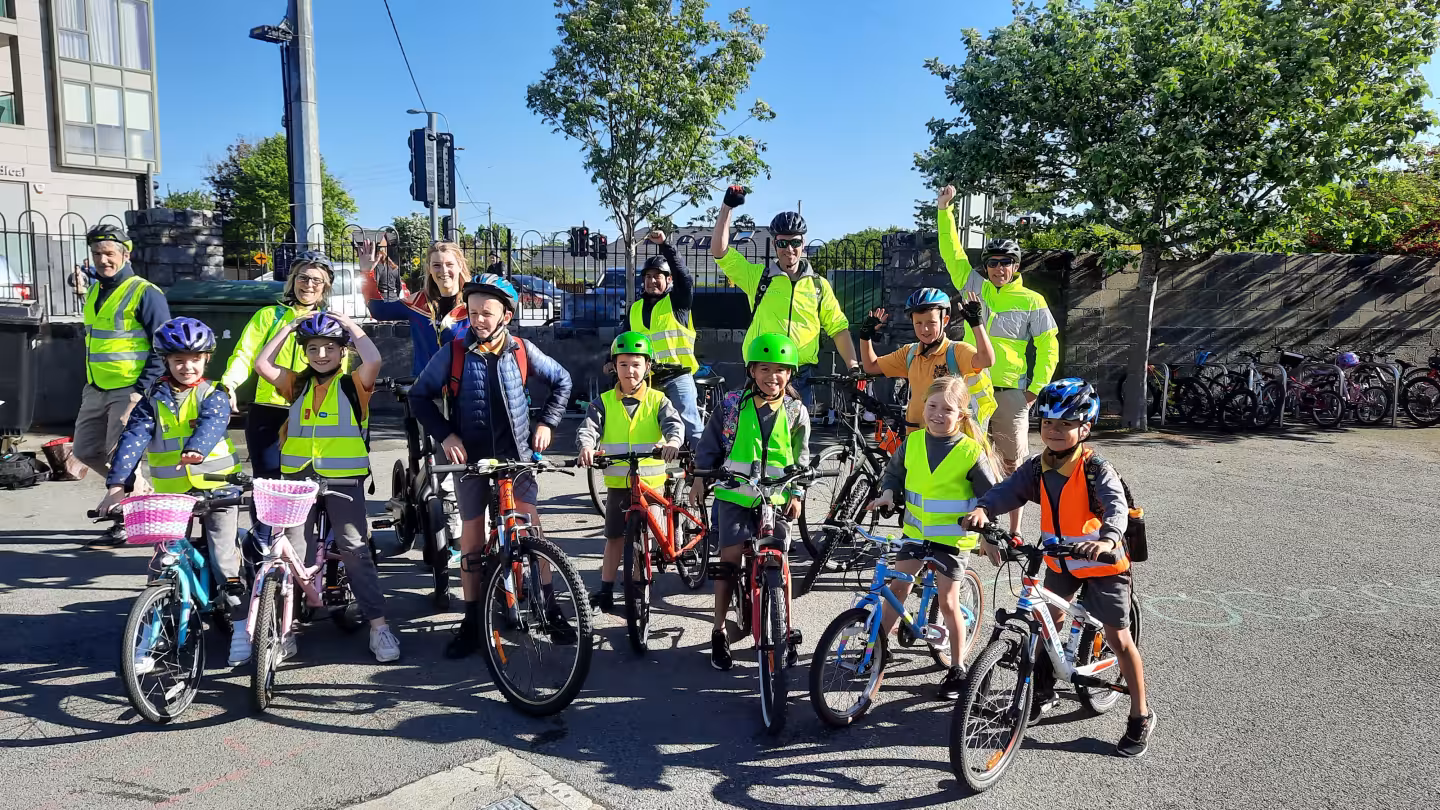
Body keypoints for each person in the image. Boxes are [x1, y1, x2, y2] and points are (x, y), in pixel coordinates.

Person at [962, 378, 1154, 758]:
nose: (1053, 430)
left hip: (1104, 563)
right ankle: (1042, 692)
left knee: (1119, 639)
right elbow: (1009, 490)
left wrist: (1108, 539)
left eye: (1065, 424)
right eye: (1048, 422)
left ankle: (1140, 714)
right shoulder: (1037, 467)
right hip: (1060, 560)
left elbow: (1115, 507)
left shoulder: (1096, 469)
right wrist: (984, 508)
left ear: (1085, 428)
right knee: (1046, 622)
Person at [406, 274, 575, 658]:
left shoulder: (522, 350)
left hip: (516, 457)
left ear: (506, 316)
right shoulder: (453, 352)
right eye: (473, 313)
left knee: (532, 529)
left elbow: (562, 381)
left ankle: (550, 608)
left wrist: (547, 423)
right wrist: (446, 435)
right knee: (472, 537)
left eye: (487, 313)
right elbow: (419, 397)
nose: (479, 320)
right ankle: (471, 620)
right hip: (471, 461)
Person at [95, 316, 250, 669]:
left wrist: (196, 449)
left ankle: (242, 628)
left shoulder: (214, 395)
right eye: (178, 360)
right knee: (161, 563)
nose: (187, 366)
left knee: (224, 558)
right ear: (165, 360)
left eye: (194, 359)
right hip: (172, 494)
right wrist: (116, 487)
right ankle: (150, 638)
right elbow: (132, 441)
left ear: (206, 359)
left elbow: (213, 424)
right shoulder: (153, 399)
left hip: (218, 488)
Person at [252, 311, 401, 664]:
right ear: (304, 352)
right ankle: (285, 630)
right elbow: (261, 364)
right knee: (292, 553)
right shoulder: (297, 384)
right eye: (313, 348)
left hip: (344, 479)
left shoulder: (353, 385)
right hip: (299, 480)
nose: (321, 355)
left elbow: (374, 359)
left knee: (354, 550)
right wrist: (289, 328)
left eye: (330, 348)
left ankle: (379, 628)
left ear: (343, 351)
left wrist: (350, 326)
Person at [937, 184, 1059, 532]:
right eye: (993, 263)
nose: (998, 268)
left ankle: (1014, 530)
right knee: (970, 456)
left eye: (1005, 263)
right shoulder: (973, 285)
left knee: (1011, 462)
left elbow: (1049, 345)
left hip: (1011, 391)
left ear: (1015, 266)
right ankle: (976, 525)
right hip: (974, 385)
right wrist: (944, 211)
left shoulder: (1032, 300)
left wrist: (1035, 388)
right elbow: (952, 252)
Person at [866, 377, 997, 698]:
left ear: (962, 415)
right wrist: (887, 494)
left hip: (952, 541)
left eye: (947, 410)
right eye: (932, 406)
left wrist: (987, 534)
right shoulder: (912, 442)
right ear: (922, 407)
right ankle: (877, 650)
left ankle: (958, 667)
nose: (938, 414)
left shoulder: (970, 451)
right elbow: (894, 473)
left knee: (948, 602)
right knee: (897, 588)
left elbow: (991, 497)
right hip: (915, 533)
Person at [690, 333, 811, 671]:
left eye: (780, 370)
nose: (773, 377)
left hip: (777, 498)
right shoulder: (731, 405)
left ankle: (784, 627)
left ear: (790, 374)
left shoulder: (796, 411)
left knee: (781, 561)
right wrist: (700, 478)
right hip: (735, 496)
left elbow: (801, 457)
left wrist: (797, 494)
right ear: (752, 371)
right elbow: (709, 445)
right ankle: (719, 629)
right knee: (729, 558)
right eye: (765, 369)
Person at [361, 239, 472, 590]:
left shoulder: (474, 302)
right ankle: (449, 527)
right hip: (427, 392)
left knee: (468, 463)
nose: (443, 271)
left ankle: (466, 528)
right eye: (436, 265)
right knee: (439, 460)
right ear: (429, 270)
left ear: (460, 266)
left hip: (467, 393)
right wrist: (367, 272)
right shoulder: (418, 304)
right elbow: (377, 309)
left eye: (449, 264)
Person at [220, 250, 337, 545]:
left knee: (308, 483)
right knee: (266, 483)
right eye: (303, 278)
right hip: (269, 410)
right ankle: (262, 547)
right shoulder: (269, 316)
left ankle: (304, 547)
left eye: (317, 281)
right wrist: (228, 385)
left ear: (325, 287)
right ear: (292, 280)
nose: (309, 285)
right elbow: (245, 354)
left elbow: (340, 367)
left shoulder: (329, 321)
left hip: (310, 412)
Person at [710, 186, 859, 403]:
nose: (789, 249)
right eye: (783, 243)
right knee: (756, 425)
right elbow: (719, 251)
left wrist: (853, 365)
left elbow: (838, 328)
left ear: (803, 244)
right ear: (774, 244)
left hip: (800, 375)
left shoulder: (819, 286)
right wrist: (727, 208)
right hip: (763, 371)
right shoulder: (758, 277)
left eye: (795, 242)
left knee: (797, 426)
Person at [75, 223, 171, 547]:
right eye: (97, 254)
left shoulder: (145, 292)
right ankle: (140, 493)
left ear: (125, 255)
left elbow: (163, 346)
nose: (103, 260)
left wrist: (140, 391)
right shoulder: (94, 291)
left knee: (122, 456)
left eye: (109, 253)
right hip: (96, 387)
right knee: (85, 450)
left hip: (129, 389)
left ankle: (125, 521)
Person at [576, 332, 684, 614]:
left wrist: (672, 443)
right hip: (619, 483)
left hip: (650, 484)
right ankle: (605, 589)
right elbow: (589, 429)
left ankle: (637, 587)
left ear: (647, 367)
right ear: (614, 366)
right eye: (623, 364)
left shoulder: (658, 400)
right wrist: (587, 447)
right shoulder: (603, 402)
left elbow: (674, 425)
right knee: (613, 537)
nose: (629, 371)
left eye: (636, 364)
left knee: (645, 539)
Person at [858, 287, 997, 433]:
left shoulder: (956, 351)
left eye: (931, 322)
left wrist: (976, 324)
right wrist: (865, 336)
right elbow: (871, 367)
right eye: (918, 323)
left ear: (945, 320)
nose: (924, 329)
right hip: (915, 437)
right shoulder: (909, 353)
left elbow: (986, 360)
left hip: (948, 438)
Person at [622, 230, 703, 447]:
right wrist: (608, 361)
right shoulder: (635, 309)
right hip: (648, 378)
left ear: (668, 279)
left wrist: (665, 245)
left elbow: (684, 276)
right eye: (648, 277)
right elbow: (623, 340)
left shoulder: (678, 302)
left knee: (690, 426)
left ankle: (703, 464)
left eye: (657, 276)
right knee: (641, 426)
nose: (652, 281)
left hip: (678, 375)